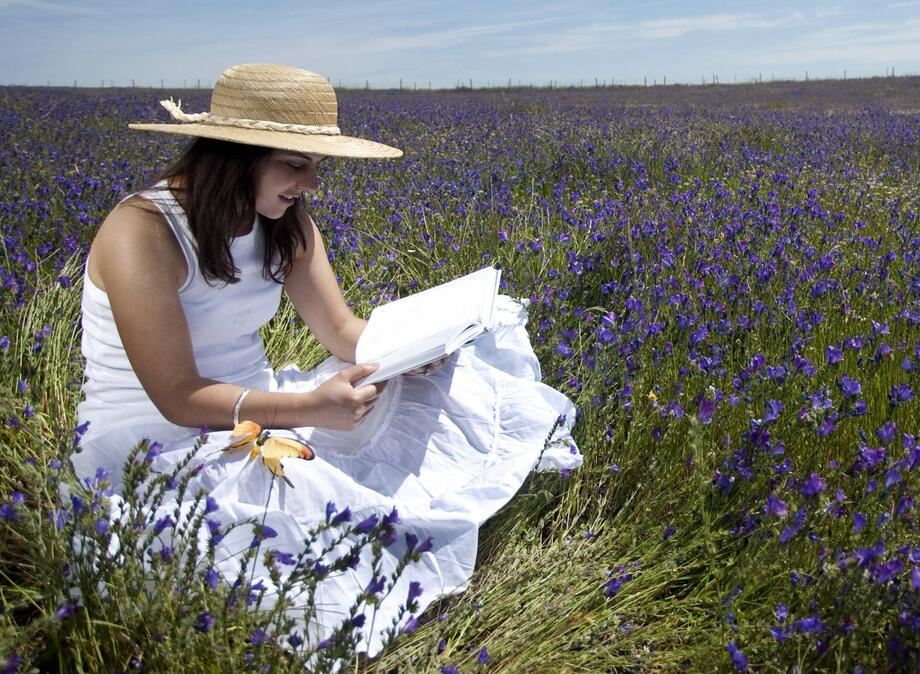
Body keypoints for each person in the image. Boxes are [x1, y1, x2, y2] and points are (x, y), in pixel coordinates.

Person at [74, 63, 579, 655]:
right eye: (295, 164)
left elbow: (342, 331)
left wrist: (409, 354)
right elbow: (177, 396)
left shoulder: (285, 222)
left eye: (317, 166)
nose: (310, 184)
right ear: (236, 155)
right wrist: (309, 407)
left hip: (257, 407)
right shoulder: (141, 231)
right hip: (158, 439)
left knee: (453, 375)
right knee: (298, 518)